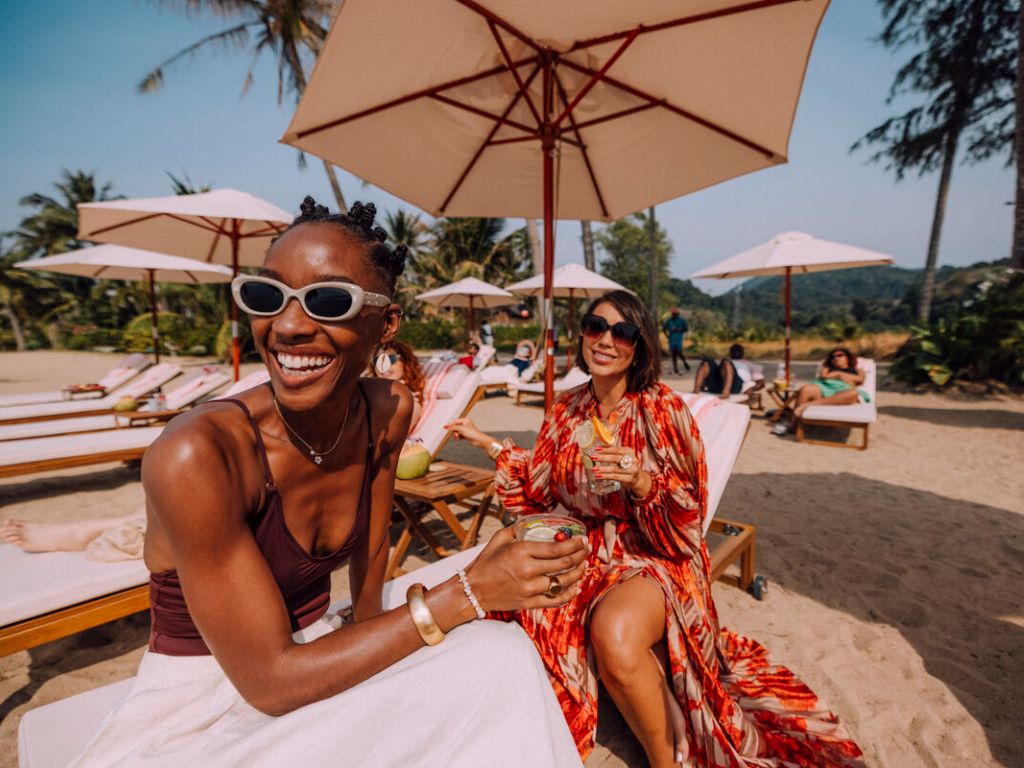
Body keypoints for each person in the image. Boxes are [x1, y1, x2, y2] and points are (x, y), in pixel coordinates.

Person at [66, 197, 587, 768]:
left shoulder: (387, 409)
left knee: (502, 654)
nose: (288, 327)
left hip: (313, 650)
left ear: (386, 324)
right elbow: (268, 681)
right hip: (206, 703)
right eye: (266, 297)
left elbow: (372, 543)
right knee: (494, 656)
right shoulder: (197, 454)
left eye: (328, 301)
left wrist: (374, 633)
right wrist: (468, 592)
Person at [447, 290, 864, 767]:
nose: (605, 340)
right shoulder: (566, 410)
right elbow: (541, 490)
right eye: (594, 326)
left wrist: (642, 482)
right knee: (496, 592)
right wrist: (489, 445)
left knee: (616, 635)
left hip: (653, 553)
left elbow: (690, 517)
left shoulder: (663, 411)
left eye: (622, 332)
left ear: (639, 345)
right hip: (585, 550)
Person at [772, 346, 868, 435]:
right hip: (823, 388)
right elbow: (824, 376)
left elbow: (860, 380)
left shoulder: (858, 370)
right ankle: (794, 425)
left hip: (842, 392)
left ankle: (806, 405)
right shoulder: (827, 368)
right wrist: (841, 375)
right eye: (833, 357)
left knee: (853, 393)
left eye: (840, 355)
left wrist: (837, 374)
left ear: (848, 358)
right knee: (806, 389)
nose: (836, 358)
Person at [372, 339, 425, 427]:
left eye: (391, 359)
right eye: (378, 361)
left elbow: (391, 438)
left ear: (405, 362)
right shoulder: (367, 392)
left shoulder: (412, 405)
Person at [661, 307, 690, 374]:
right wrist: (667, 335)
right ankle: (675, 368)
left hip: (678, 339)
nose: (674, 315)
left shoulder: (682, 321)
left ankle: (684, 362)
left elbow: (686, 329)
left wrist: (680, 330)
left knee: (679, 352)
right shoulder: (669, 321)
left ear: (678, 314)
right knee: (673, 353)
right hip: (671, 339)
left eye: (675, 314)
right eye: (673, 314)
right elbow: (664, 329)